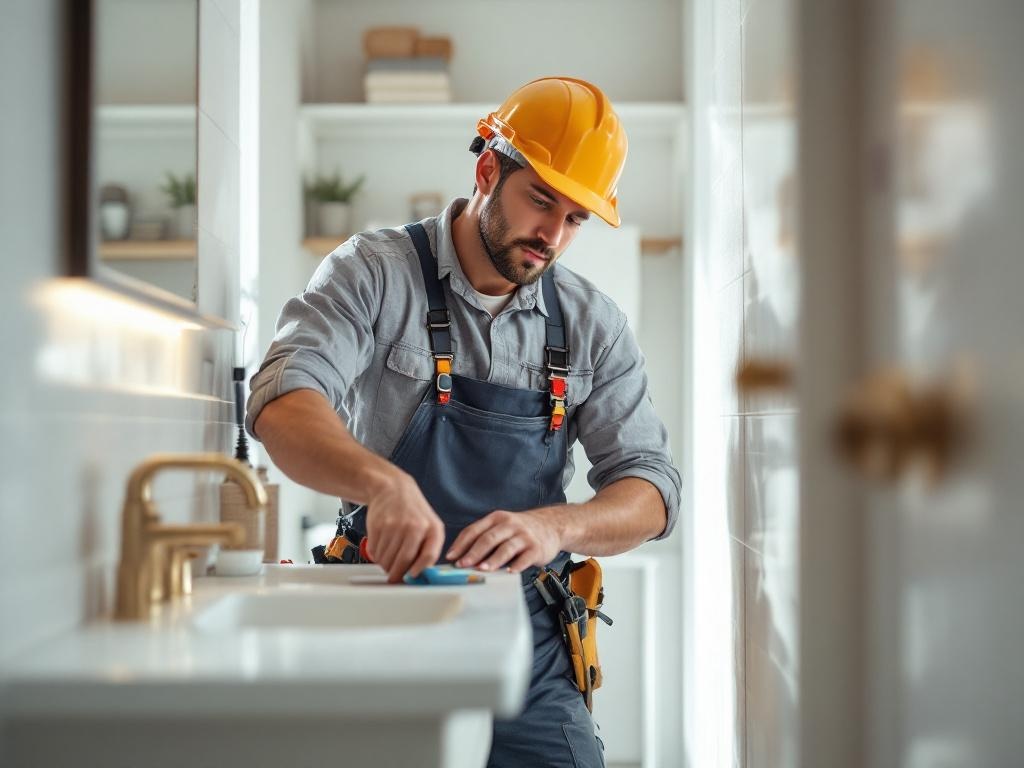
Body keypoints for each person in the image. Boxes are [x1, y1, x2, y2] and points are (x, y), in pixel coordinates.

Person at [246, 76, 681, 768]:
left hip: (529, 639)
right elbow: (281, 402)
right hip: (381, 616)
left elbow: (652, 490)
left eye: (575, 218)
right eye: (541, 200)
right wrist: (383, 485)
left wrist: (553, 527)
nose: (552, 235)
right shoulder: (374, 274)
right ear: (487, 170)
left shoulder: (594, 325)